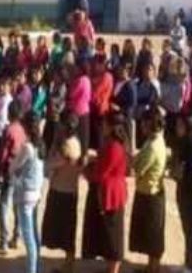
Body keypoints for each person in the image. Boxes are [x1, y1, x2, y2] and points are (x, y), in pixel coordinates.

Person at [81, 114, 128, 273]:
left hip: (111, 192)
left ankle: (113, 269)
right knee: (108, 230)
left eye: (105, 124)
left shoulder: (114, 146)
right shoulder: (113, 143)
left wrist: (87, 171)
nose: (103, 127)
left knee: (113, 232)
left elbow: (102, 173)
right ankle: (110, 267)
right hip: (109, 189)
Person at [42, 114, 82, 273]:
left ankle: (69, 265)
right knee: (68, 230)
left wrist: (53, 148)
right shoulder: (76, 143)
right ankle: (68, 264)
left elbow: (49, 167)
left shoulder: (65, 146)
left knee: (65, 231)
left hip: (61, 191)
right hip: (70, 190)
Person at [129, 107, 167, 273]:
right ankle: (151, 267)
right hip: (150, 191)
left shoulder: (152, 146)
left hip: (149, 193)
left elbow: (137, 169)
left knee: (152, 234)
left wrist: (132, 158)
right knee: (151, 233)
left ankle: (154, 269)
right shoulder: (155, 140)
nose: (141, 126)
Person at [10, 115, 45, 273]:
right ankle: (37, 267)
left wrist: (15, 172)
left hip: (26, 193)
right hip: (36, 193)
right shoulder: (41, 145)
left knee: (28, 237)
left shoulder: (28, 147)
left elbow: (14, 167)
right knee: (34, 233)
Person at [172, 114, 192, 273]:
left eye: (180, 125)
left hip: (190, 193)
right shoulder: (186, 143)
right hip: (185, 191)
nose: (177, 128)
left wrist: (179, 174)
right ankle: (188, 262)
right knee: (188, 229)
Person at [0, 101, 26, 251]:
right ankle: (16, 237)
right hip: (21, 170)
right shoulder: (22, 130)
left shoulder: (8, 130)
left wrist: (0, 170)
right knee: (17, 206)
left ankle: (3, 240)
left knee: (3, 205)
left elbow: (3, 154)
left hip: (10, 169)